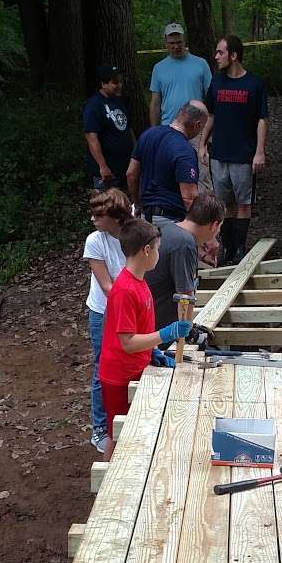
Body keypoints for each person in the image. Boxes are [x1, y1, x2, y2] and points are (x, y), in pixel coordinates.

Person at [97, 217, 192, 461]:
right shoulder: (125, 290)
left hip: (136, 368)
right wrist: (166, 334)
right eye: (158, 249)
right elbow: (127, 342)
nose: (159, 254)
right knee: (117, 435)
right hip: (119, 377)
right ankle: (106, 489)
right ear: (146, 250)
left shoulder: (140, 282)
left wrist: (152, 353)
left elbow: (139, 330)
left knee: (132, 433)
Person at [199, 35, 268, 265]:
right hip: (219, 153)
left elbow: (262, 119)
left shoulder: (255, 84)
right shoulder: (217, 82)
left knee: (243, 203)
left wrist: (260, 151)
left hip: (243, 155)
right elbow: (210, 115)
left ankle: (240, 248)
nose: (216, 56)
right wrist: (202, 144)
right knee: (223, 203)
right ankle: (227, 247)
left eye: (220, 52)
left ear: (234, 55)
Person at [82, 186, 131, 453]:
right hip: (104, 312)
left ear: (115, 216)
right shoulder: (95, 241)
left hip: (130, 308)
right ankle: (100, 428)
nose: (93, 220)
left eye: (98, 215)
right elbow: (107, 286)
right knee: (104, 368)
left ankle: (127, 417)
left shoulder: (134, 233)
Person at [146, 190, 225, 329]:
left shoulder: (171, 229)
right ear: (214, 225)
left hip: (153, 322)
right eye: (220, 227)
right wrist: (187, 330)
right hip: (159, 330)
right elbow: (185, 296)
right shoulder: (184, 243)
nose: (218, 232)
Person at [127, 99, 207, 220]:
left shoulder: (148, 134)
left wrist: (137, 203)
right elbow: (189, 197)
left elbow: (131, 173)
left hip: (145, 218)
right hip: (171, 219)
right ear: (197, 125)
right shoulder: (185, 150)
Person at [82, 64, 135, 191]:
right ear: (103, 84)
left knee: (125, 204)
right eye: (115, 83)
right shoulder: (94, 105)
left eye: (120, 82)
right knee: (108, 206)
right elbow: (91, 137)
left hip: (125, 166)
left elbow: (127, 128)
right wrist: (103, 166)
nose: (119, 86)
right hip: (107, 170)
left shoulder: (119, 101)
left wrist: (136, 152)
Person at [149, 23, 212, 127]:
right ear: (165, 43)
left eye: (179, 42)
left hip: (196, 126)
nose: (176, 46)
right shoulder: (158, 68)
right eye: (172, 43)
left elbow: (210, 97)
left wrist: (209, 127)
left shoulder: (201, 64)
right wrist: (154, 131)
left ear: (184, 41)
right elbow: (155, 103)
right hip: (168, 126)